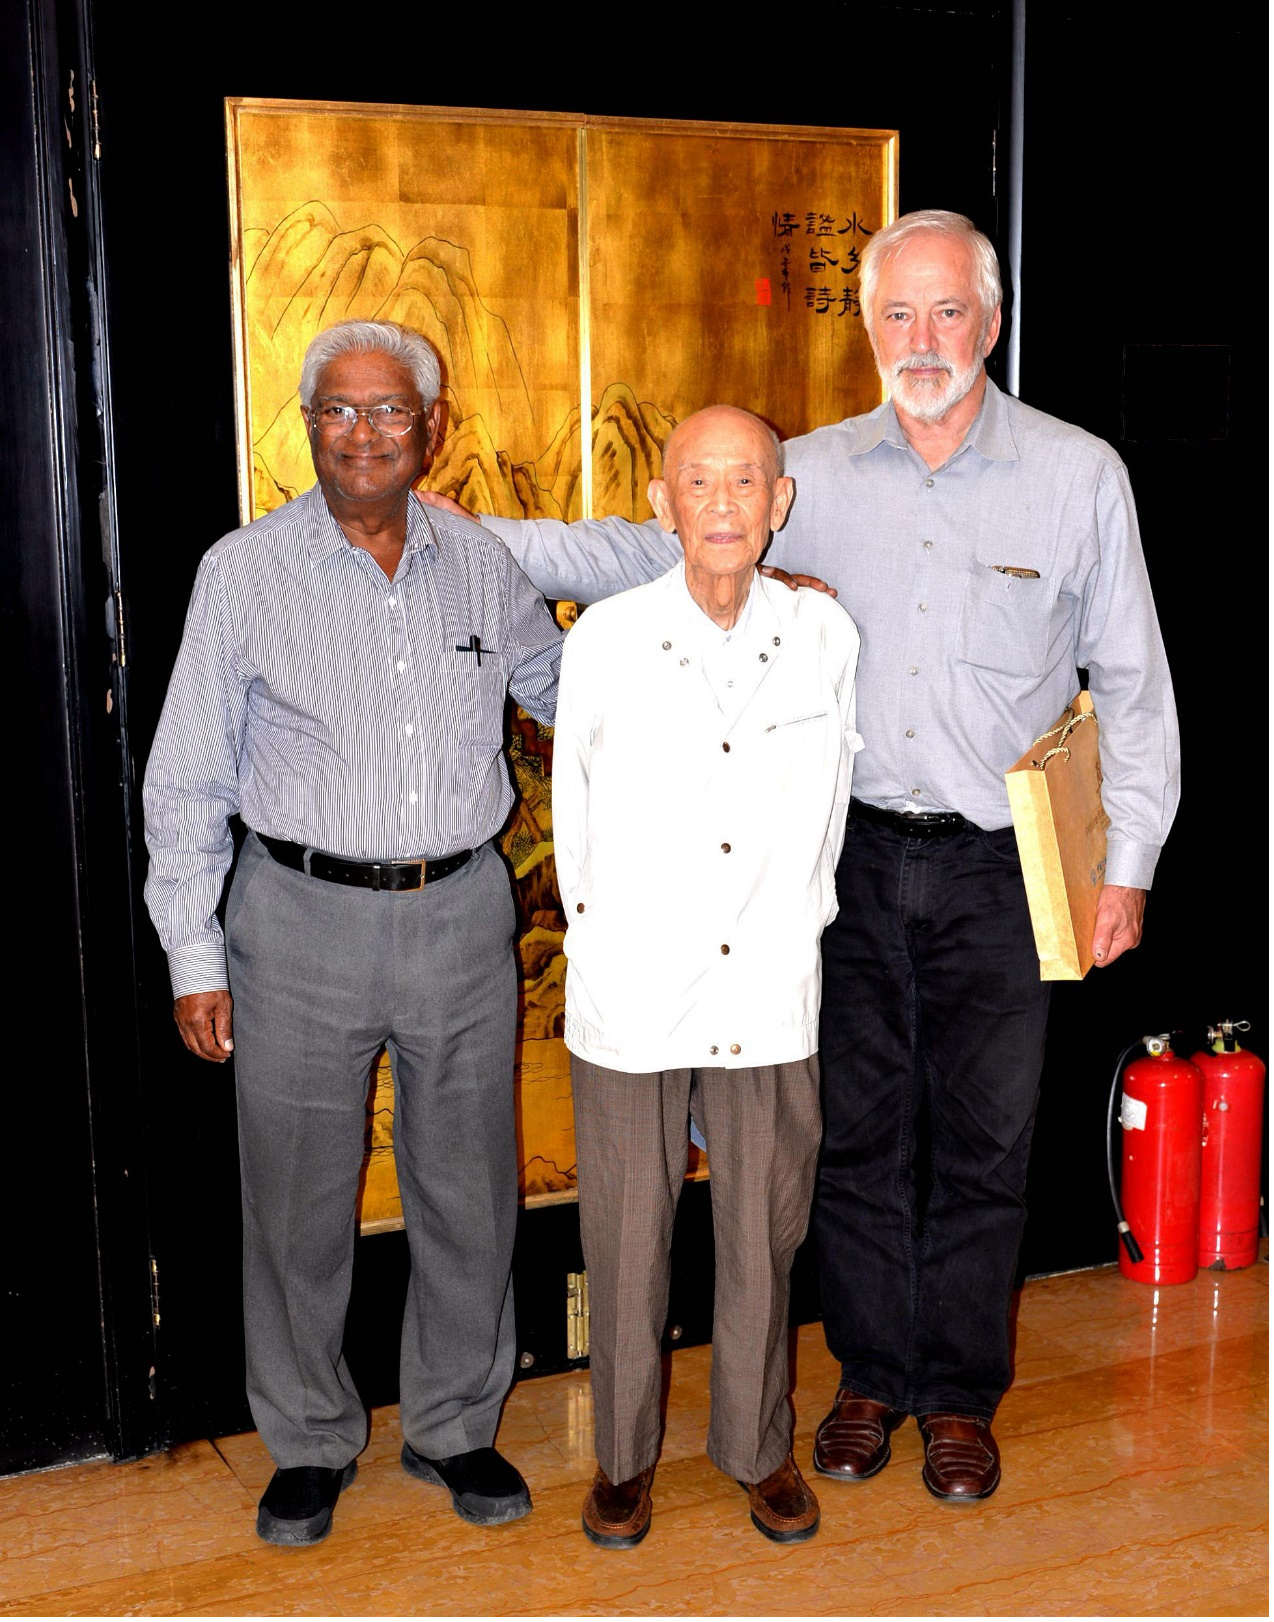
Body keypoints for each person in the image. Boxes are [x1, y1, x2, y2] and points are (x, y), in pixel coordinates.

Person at [422, 210, 1180, 1502]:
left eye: (948, 312)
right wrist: (468, 537)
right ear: (870, 328)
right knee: (859, 1140)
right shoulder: (810, 471)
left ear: (988, 324)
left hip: (1009, 863)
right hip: (855, 864)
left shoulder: (1077, 473)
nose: (923, 339)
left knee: (989, 1142)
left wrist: (1129, 864)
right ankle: (871, 1376)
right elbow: (649, 544)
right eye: (898, 314)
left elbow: (1133, 677)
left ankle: (956, 1396)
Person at [144, 319, 563, 1545]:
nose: (365, 431)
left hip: (459, 914)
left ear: (430, 427)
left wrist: (724, 625)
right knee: (296, 1204)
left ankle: (453, 1423)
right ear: (307, 426)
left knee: (472, 1190)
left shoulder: (480, 561)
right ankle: (311, 1440)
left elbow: (563, 690)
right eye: (339, 410)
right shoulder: (243, 572)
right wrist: (193, 952)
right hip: (297, 921)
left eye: (390, 410)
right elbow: (184, 781)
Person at [553, 405, 861, 1547]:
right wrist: (604, 950)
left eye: (747, 483)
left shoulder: (825, 637)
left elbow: (825, 814)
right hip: (635, 986)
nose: (723, 505)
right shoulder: (607, 639)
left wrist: (795, 927)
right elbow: (571, 818)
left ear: (779, 503)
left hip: (768, 982)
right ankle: (622, 1458)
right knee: (627, 1234)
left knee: (762, 1233)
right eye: (699, 482)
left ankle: (756, 1447)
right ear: (661, 501)